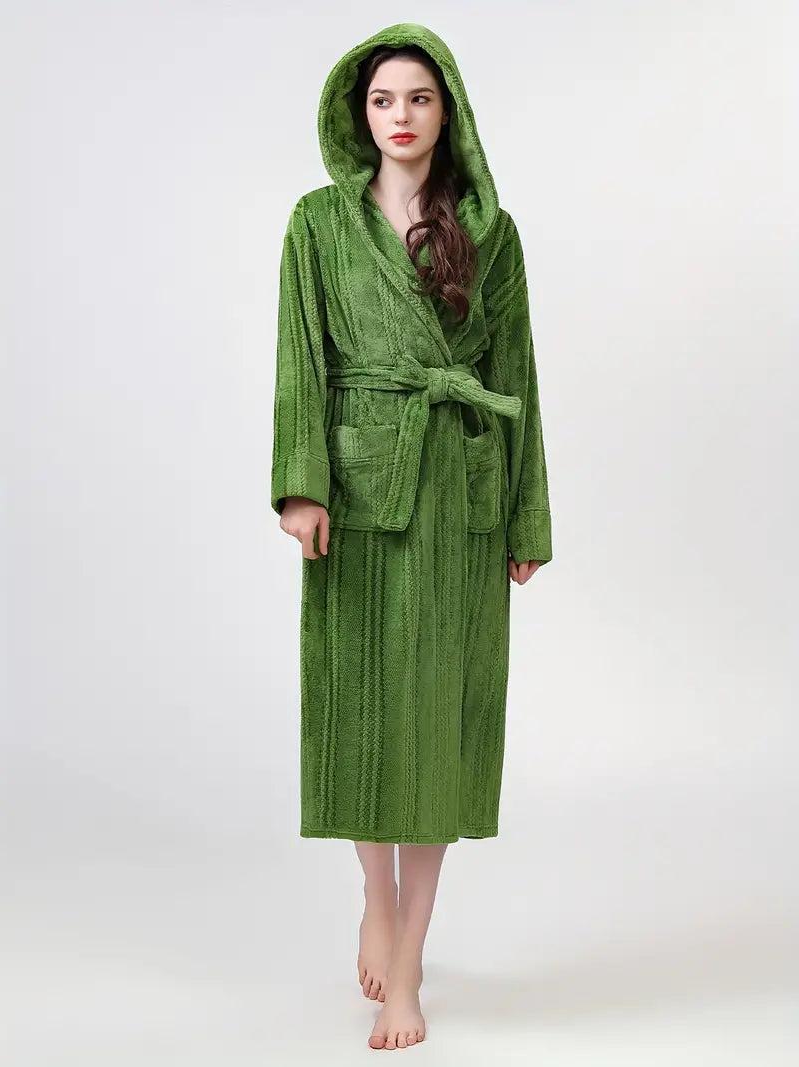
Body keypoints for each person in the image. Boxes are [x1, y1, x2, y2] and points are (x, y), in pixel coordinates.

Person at [270, 22, 553, 1051]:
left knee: (436, 724)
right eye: (383, 99)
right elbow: (300, 356)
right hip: (357, 487)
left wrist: (525, 514)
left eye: (419, 99)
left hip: (458, 496)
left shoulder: (490, 230)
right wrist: (301, 486)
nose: (401, 116)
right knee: (360, 707)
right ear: (359, 114)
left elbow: (516, 375)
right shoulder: (317, 223)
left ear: (449, 112)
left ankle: (409, 959)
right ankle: (375, 901)